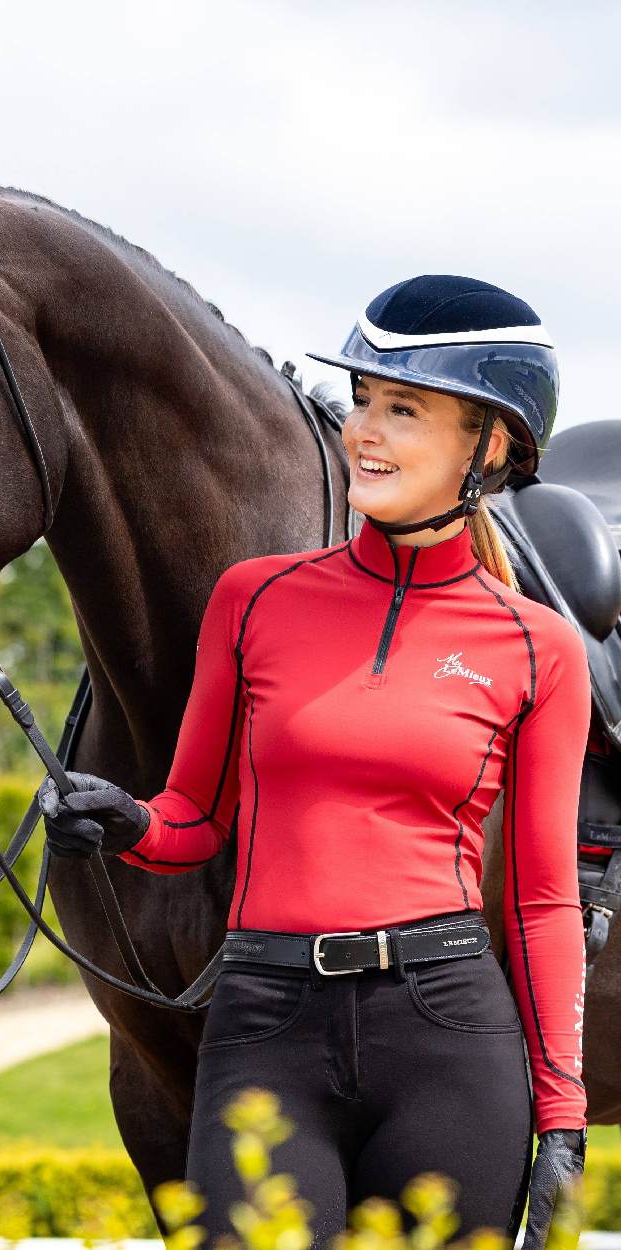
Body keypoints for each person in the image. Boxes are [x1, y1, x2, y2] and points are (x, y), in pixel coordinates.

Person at [38, 275, 590, 1250]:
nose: (363, 430)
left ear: (489, 445)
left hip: (447, 1036)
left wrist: (562, 1115)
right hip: (264, 1024)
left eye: (403, 409)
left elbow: (540, 900)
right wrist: (124, 821)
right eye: (363, 402)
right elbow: (193, 820)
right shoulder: (253, 599)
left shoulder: (536, 645)